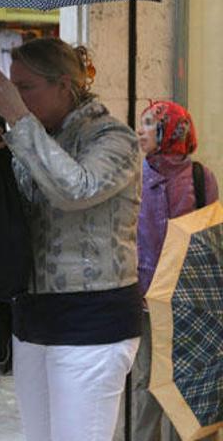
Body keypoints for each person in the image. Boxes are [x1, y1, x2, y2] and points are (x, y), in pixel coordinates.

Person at [0, 38, 143, 441]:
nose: (15, 97)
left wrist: (19, 120)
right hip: (33, 317)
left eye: (25, 87)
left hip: (93, 321)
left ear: (65, 86)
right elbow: (12, 216)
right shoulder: (31, 137)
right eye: (12, 87)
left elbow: (76, 190)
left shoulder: (114, 138)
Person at [132, 101, 218, 441]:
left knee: (194, 379)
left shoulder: (200, 176)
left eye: (151, 123)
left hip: (190, 299)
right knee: (149, 382)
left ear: (173, 131)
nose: (141, 130)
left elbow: (210, 238)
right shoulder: (135, 175)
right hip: (146, 299)